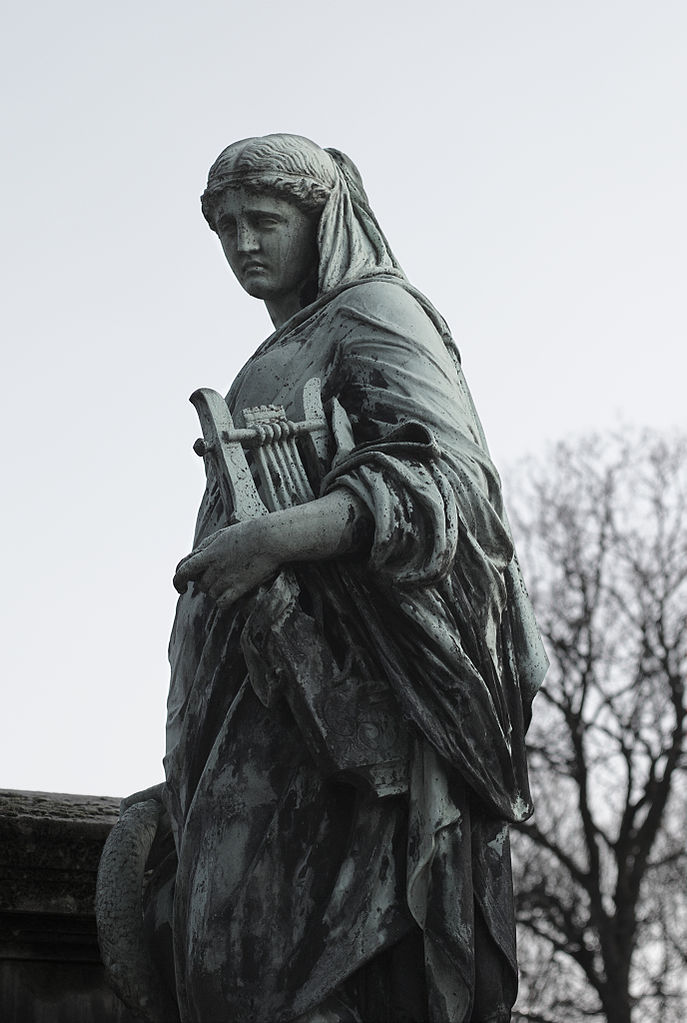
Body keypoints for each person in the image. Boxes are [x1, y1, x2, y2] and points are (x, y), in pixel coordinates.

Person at [162, 134, 546, 1023]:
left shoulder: (376, 312)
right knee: (220, 957)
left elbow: (451, 486)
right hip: (251, 683)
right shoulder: (279, 348)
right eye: (225, 226)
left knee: (255, 970)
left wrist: (276, 538)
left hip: (341, 690)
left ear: (323, 217)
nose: (242, 244)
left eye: (264, 220)